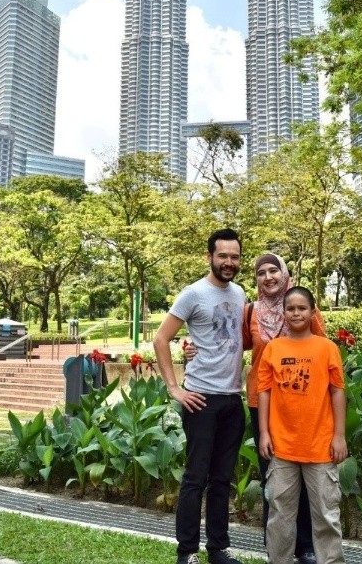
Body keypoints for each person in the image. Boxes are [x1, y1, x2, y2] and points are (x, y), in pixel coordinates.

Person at [153, 228, 246, 564]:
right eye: (222, 256)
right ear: (209, 257)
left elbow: (236, 340)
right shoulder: (193, 293)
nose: (229, 262)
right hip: (201, 398)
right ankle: (187, 553)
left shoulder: (240, 293)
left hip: (233, 399)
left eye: (234, 256)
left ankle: (218, 549)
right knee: (195, 478)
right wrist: (175, 388)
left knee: (222, 479)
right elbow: (161, 339)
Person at [244, 254, 326, 564]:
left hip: (302, 404)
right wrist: (195, 347)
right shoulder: (250, 312)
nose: (268, 276)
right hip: (262, 402)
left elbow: (323, 350)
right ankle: (276, 547)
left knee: (304, 474)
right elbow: (232, 344)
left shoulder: (303, 307)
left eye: (273, 270)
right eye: (261, 272)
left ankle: (304, 546)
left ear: (284, 273)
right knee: (273, 480)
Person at [258, 286, 347, 564]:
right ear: (284, 313)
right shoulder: (274, 348)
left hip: (320, 447)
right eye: (290, 308)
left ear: (312, 311)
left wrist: (339, 435)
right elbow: (264, 392)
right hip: (282, 448)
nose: (296, 313)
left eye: (302, 308)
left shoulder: (327, 348)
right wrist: (263, 433)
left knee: (325, 516)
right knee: (280, 516)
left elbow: (337, 391)